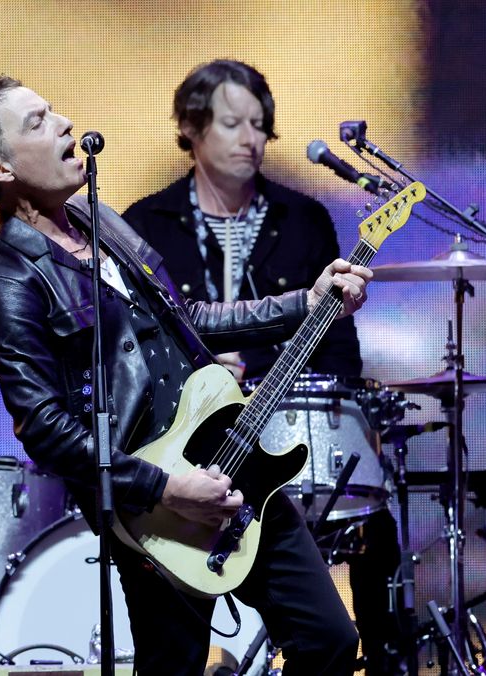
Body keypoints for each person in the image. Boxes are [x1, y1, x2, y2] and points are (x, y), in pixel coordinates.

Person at [0, 74, 372, 675]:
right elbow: (43, 427)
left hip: (229, 454)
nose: (63, 123)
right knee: (175, 667)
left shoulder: (101, 220)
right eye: (37, 122)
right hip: (154, 508)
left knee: (328, 641)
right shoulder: (11, 277)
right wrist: (167, 489)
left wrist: (307, 300)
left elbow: (185, 317)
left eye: (54, 108)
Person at [123, 60, 404, 675]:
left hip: (282, 431)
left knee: (346, 604)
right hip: (182, 455)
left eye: (260, 125)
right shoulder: (143, 225)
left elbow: (337, 349)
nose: (251, 138)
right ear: (191, 128)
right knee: (172, 656)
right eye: (232, 123)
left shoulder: (303, 219)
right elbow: (133, 353)